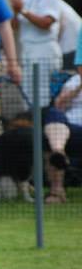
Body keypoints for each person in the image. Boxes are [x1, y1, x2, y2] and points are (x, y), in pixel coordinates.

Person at [15, 0, 63, 105]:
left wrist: (23, 11)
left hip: (44, 49)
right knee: (28, 90)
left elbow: (46, 23)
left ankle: (43, 118)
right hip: (27, 50)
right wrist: (15, 10)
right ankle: (30, 116)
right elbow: (15, 24)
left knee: (42, 92)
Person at [42, 63, 82, 204]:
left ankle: (58, 152)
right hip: (69, 129)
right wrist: (79, 87)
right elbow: (59, 104)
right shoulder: (75, 80)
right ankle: (58, 153)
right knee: (53, 113)